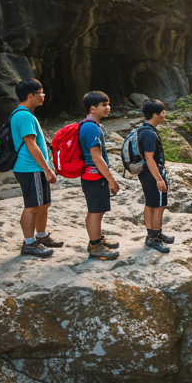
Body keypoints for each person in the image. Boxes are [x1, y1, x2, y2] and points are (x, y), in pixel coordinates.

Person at [11, 79, 59, 258]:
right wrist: (47, 168)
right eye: (40, 92)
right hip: (30, 167)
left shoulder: (24, 114)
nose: (43, 96)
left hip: (32, 167)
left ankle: (41, 236)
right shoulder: (24, 116)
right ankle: (29, 243)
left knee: (43, 204)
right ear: (30, 95)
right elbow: (30, 144)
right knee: (32, 206)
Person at [80, 91, 121, 261]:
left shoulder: (90, 125)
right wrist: (111, 180)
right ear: (92, 108)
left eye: (108, 104)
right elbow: (96, 157)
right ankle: (95, 246)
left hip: (92, 176)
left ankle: (97, 240)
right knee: (96, 211)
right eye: (104, 105)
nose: (108, 108)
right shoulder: (91, 127)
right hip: (94, 176)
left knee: (97, 210)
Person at [137, 99, 173, 253]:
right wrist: (159, 179)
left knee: (151, 204)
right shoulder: (149, 133)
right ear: (154, 114)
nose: (164, 115)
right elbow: (149, 157)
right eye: (162, 113)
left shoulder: (144, 129)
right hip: (152, 173)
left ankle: (155, 232)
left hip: (146, 173)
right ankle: (153, 239)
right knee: (159, 205)